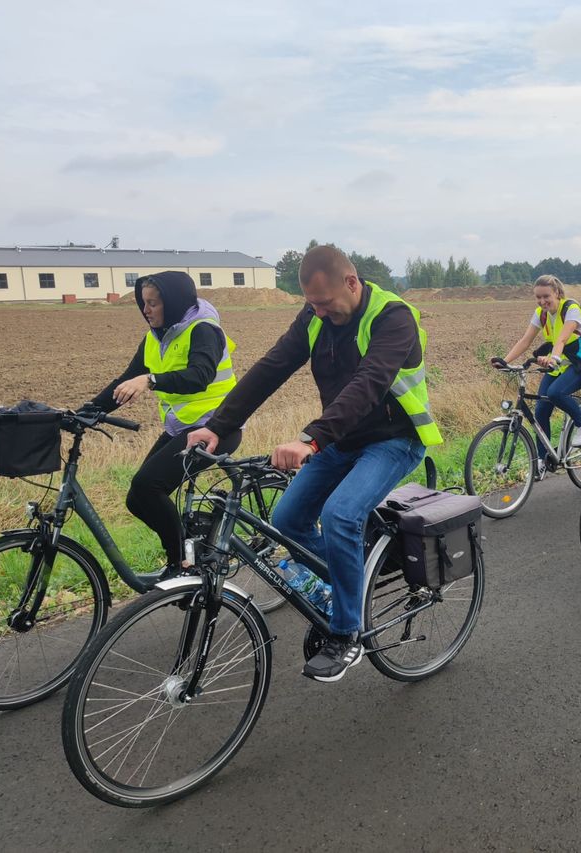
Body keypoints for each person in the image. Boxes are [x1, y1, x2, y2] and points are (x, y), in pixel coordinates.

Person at [187, 246, 441, 683]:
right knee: (288, 519)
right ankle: (355, 578)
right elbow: (272, 367)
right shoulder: (314, 316)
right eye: (311, 305)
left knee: (340, 515)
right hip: (343, 439)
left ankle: (346, 634)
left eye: (324, 304)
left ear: (352, 283)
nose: (318, 313)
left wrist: (311, 438)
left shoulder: (393, 317)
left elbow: (369, 383)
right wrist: (218, 424)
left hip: (394, 439)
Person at [87, 271, 241, 575]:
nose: (146, 310)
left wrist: (151, 379)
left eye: (154, 303)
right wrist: (85, 412)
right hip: (182, 427)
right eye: (143, 303)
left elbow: (200, 375)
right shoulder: (156, 337)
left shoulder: (204, 330)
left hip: (217, 426)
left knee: (149, 487)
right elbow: (125, 381)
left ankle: (181, 565)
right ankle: (190, 549)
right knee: (137, 499)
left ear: (173, 303)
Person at [493, 275, 581, 477]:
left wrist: (553, 357)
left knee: (555, 393)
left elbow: (562, 338)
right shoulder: (541, 313)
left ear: (557, 294)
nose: (542, 301)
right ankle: (542, 460)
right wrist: (505, 361)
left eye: (546, 296)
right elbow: (525, 340)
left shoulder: (571, 309)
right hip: (559, 363)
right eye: (538, 297)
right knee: (541, 410)